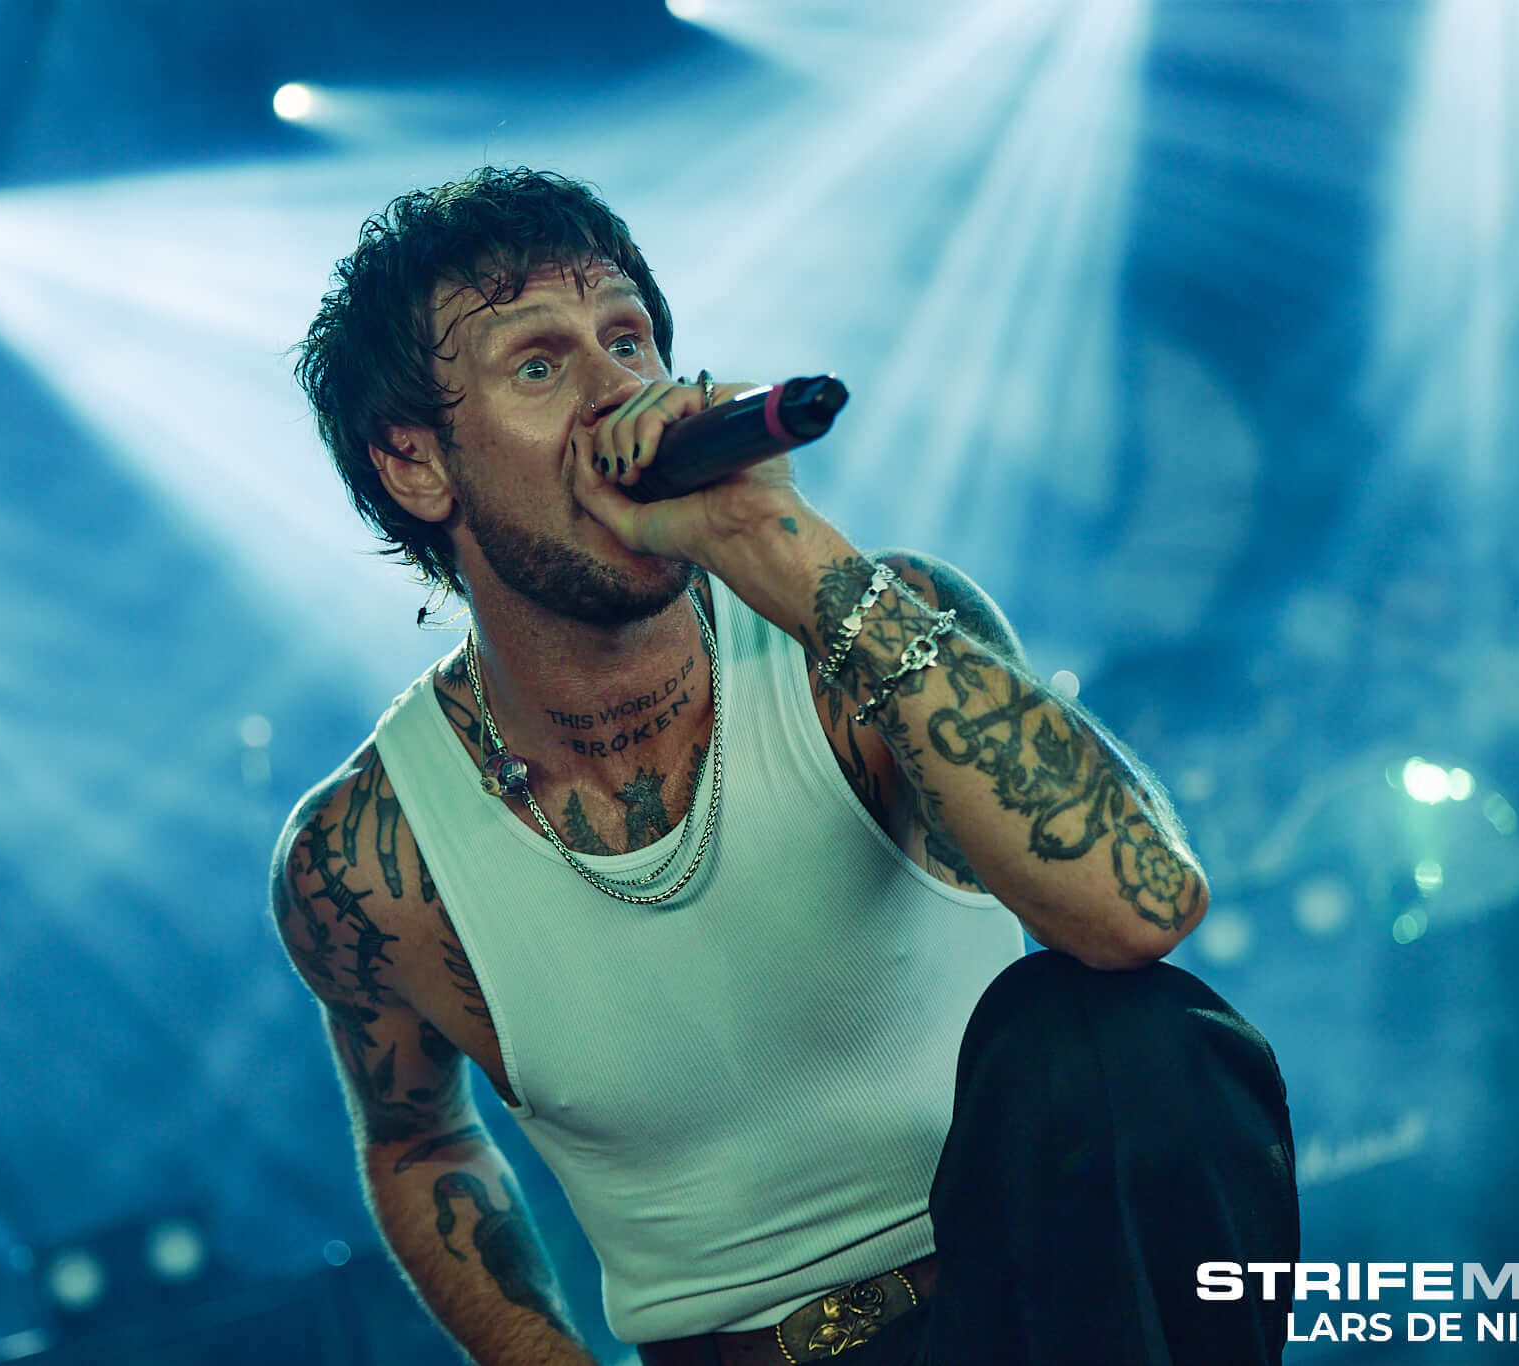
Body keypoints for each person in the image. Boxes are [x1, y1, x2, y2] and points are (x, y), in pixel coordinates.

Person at [273, 166, 1298, 1366]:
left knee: (1115, 1031)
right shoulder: (368, 857)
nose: (616, 393)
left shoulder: (863, 638)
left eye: (626, 340)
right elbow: (417, 1141)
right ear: (415, 463)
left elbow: (1141, 910)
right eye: (538, 366)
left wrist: (781, 548)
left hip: (1039, 1316)